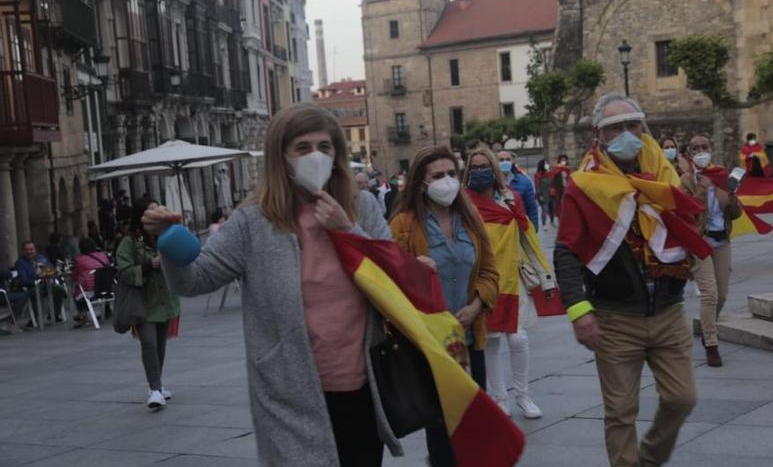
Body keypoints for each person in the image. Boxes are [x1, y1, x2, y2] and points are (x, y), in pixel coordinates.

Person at [142, 103, 397, 466]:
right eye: (303, 148)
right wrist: (169, 241)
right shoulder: (253, 221)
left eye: (325, 147)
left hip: (364, 384)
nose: (316, 156)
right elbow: (195, 280)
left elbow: (393, 278)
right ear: (283, 157)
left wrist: (347, 230)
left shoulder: (364, 207)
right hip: (287, 393)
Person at [554, 93, 701, 467]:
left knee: (682, 399)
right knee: (620, 412)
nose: (625, 134)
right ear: (599, 134)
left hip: (668, 311)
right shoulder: (584, 185)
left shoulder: (666, 176)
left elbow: (688, 228)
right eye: (614, 127)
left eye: (632, 125)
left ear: (643, 126)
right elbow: (567, 251)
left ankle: (648, 459)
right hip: (615, 318)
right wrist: (579, 310)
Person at [388, 145, 499, 467]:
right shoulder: (404, 225)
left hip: (469, 340)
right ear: (421, 182)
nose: (447, 181)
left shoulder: (471, 218)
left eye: (452, 174)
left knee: (473, 426)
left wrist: (477, 305)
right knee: (440, 433)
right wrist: (411, 267)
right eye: (438, 175)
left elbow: (491, 271)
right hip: (430, 347)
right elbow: (389, 280)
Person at [464, 148, 552, 420]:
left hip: (514, 279)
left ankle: (523, 395)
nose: (480, 171)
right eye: (474, 166)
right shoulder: (463, 204)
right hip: (483, 283)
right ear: (468, 171)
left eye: (484, 165)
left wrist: (546, 276)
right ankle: (500, 399)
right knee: (490, 341)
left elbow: (528, 238)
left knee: (518, 338)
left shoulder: (511, 200)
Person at [681, 135, 743, 367]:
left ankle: (709, 327)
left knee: (723, 294)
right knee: (709, 294)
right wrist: (700, 190)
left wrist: (733, 200)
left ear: (711, 149)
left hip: (722, 240)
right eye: (695, 149)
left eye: (704, 147)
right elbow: (686, 213)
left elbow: (735, 214)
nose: (701, 152)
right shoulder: (686, 181)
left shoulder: (722, 177)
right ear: (689, 154)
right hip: (700, 243)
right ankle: (712, 343)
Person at [116, 197, 181, 408]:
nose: (156, 215)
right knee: (149, 342)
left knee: (160, 344)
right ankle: (154, 389)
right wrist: (147, 266)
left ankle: (158, 385)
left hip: (165, 298)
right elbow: (123, 270)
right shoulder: (130, 242)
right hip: (143, 302)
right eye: (151, 212)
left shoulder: (166, 236)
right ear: (141, 216)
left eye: (157, 210)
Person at [15, 241, 67, 323]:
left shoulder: (41, 258)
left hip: (46, 284)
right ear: (23, 251)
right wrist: (36, 276)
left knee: (59, 290)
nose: (29, 252)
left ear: (35, 250)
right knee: (37, 292)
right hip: (31, 287)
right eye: (26, 250)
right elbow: (23, 280)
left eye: (31, 249)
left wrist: (47, 271)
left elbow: (51, 269)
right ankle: (35, 319)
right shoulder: (20, 263)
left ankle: (54, 315)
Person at [72, 237, 112, 328]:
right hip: (106, 289)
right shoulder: (103, 256)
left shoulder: (79, 260)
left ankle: (82, 313)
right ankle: (107, 309)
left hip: (91, 291)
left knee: (77, 290)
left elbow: (74, 277)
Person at [497, 150, 539, 228]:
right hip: (499, 228)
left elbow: (532, 207)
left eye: (508, 159)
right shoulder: (491, 182)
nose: (505, 162)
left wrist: (534, 227)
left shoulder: (524, 181)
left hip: (520, 227)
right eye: (501, 160)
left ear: (512, 162)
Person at [533, 159, 553, 231]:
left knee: (552, 208)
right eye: (545, 164)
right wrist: (539, 195)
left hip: (551, 194)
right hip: (543, 195)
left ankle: (552, 221)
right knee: (544, 209)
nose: (547, 165)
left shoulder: (549, 173)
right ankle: (544, 224)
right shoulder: (538, 175)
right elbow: (537, 185)